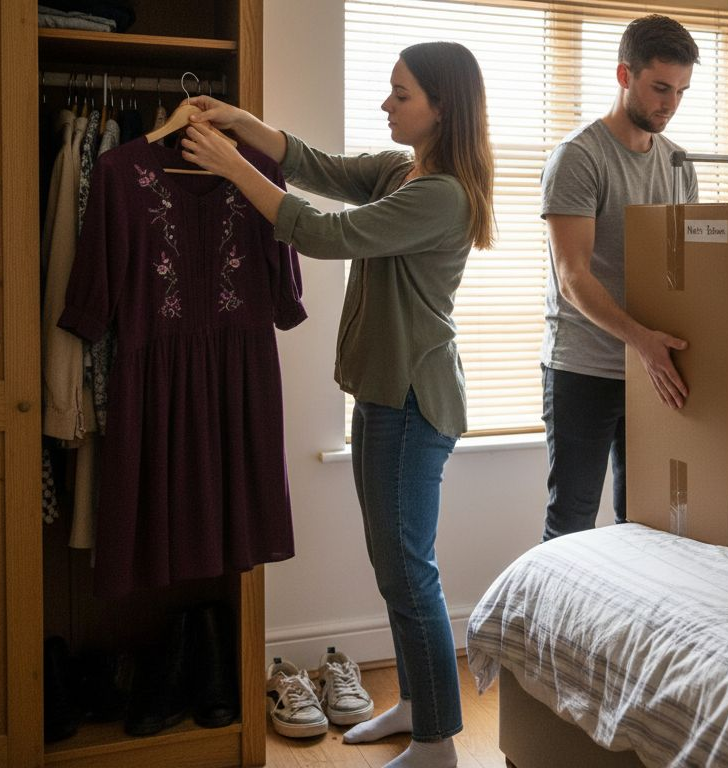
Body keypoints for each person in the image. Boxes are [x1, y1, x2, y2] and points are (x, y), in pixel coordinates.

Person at [180, 41, 494, 768]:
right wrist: (240, 121)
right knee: (396, 567)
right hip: (386, 395)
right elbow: (314, 165)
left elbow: (325, 234)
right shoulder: (401, 171)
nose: (387, 104)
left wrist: (231, 167)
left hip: (412, 403)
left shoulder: (439, 195)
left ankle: (438, 744)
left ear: (440, 107)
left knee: (409, 571)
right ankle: (417, 708)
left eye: (401, 94)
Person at [539, 14, 700, 542]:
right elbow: (573, 277)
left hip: (653, 368)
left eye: (680, 91)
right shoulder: (579, 158)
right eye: (659, 88)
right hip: (584, 366)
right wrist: (643, 343)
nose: (669, 104)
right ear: (623, 75)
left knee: (647, 522)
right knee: (572, 524)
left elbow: (687, 272)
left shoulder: (679, 165)